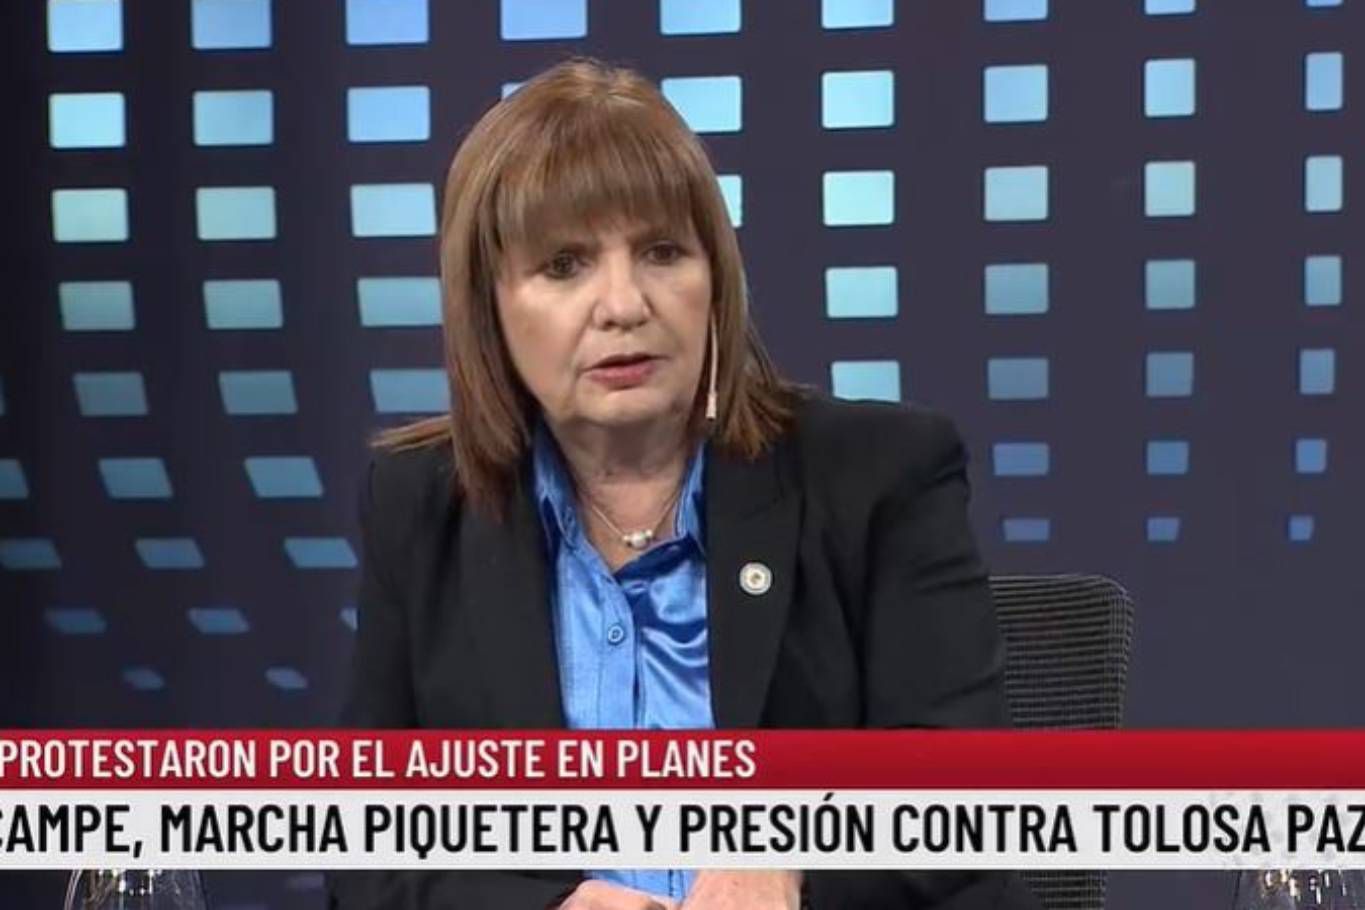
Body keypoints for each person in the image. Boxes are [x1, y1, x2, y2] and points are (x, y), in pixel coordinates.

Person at [329, 57, 1040, 910]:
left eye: (661, 251)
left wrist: (794, 874)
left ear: (715, 279)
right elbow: (366, 849)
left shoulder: (876, 474)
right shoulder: (420, 505)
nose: (623, 304)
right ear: (489, 307)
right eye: (564, 265)